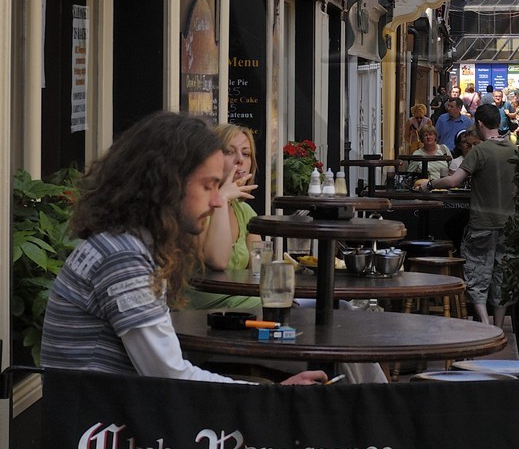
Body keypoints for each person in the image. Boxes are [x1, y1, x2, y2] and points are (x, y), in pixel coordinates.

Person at [41, 111, 325, 384]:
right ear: (167, 185)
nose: (217, 202)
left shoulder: (128, 244)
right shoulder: (123, 257)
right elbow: (168, 375)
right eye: (208, 186)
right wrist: (272, 396)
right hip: (107, 424)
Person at [415, 103, 517, 324]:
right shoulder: (512, 149)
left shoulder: (480, 150)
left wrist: (430, 184)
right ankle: (498, 325)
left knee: (477, 274)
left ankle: (485, 323)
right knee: (502, 277)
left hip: (482, 222)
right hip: (509, 223)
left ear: (479, 124)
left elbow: (453, 181)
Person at [186, 123, 262, 312]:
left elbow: (260, 271)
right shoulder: (196, 206)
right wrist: (222, 197)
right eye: (229, 152)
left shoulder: (245, 212)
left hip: (245, 307)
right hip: (202, 313)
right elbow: (217, 260)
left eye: (246, 154)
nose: (240, 161)